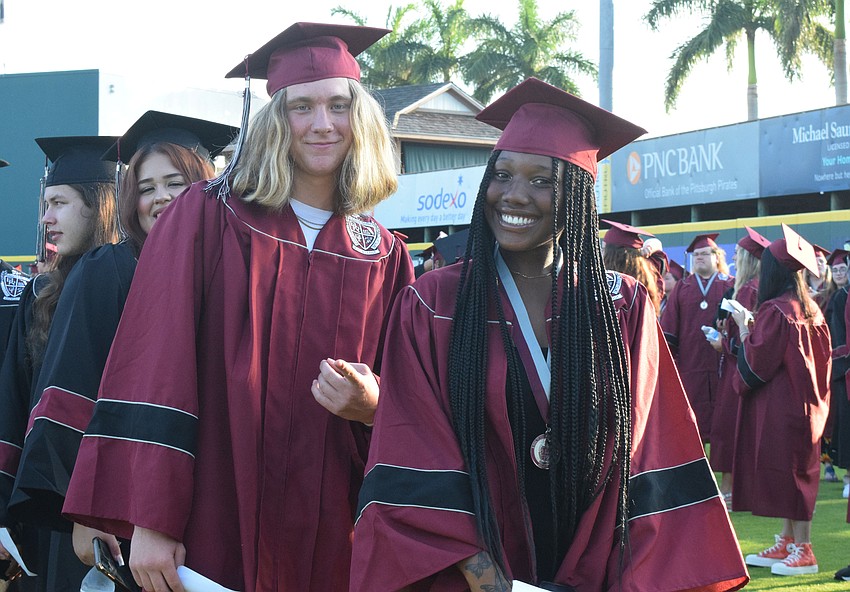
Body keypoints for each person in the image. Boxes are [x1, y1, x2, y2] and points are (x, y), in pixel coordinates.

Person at [350, 78, 748, 591]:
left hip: (600, 563)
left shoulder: (621, 306)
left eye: (542, 180)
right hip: (474, 574)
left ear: (579, 195)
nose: (514, 194)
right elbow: (412, 441)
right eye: (503, 174)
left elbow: (651, 444)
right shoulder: (434, 304)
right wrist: (477, 566)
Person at [62, 22, 414, 592]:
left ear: (363, 118)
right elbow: (155, 367)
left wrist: (375, 406)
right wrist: (150, 518)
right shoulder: (208, 216)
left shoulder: (382, 253)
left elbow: (415, 396)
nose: (322, 124)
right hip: (214, 516)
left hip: (334, 527)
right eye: (301, 107)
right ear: (275, 121)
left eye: (338, 106)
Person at [1, 113, 235, 570]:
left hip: (215, 497)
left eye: (177, 183)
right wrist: (87, 506)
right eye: (146, 187)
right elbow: (69, 393)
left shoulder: (238, 270)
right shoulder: (111, 268)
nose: (162, 197)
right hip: (118, 511)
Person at [0, 136, 120, 592]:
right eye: (46, 203)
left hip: (107, 508)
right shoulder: (39, 295)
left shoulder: (137, 282)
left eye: (60, 203)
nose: (46, 219)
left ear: (100, 205)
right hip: (44, 506)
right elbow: (13, 403)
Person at [731, 224, 831, 576]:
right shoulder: (811, 310)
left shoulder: (777, 311)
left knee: (796, 477)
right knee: (794, 473)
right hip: (808, 406)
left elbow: (757, 365)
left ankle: (805, 551)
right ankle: (788, 540)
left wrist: (745, 328)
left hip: (786, 408)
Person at [709, 226, 769, 509]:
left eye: (737, 254)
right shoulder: (758, 288)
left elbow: (749, 336)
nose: (733, 257)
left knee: (729, 428)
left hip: (738, 369)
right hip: (743, 367)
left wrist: (724, 342)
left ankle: (730, 491)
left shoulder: (747, 291)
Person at [661, 233, 734, 442]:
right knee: (691, 425)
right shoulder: (683, 288)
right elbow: (669, 329)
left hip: (721, 364)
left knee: (724, 422)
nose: (699, 257)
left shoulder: (730, 285)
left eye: (704, 253)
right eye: (696, 255)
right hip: (690, 366)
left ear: (717, 257)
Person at [600, 219, 662, 312]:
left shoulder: (606, 286)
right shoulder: (651, 278)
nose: (601, 252)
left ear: (612, 256)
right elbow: (657, 245)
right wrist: (649, 247)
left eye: (604, 249)